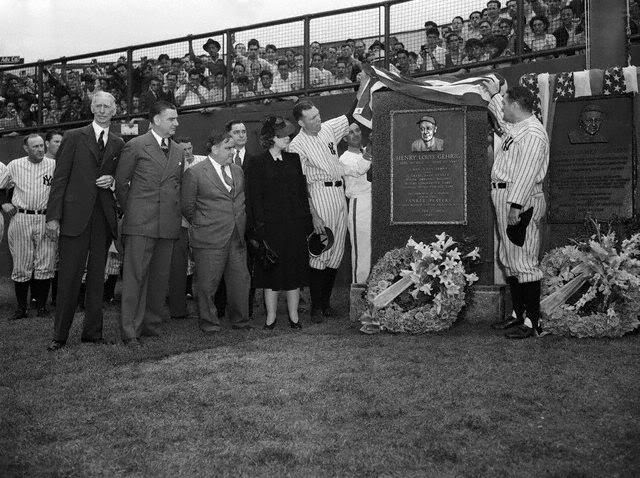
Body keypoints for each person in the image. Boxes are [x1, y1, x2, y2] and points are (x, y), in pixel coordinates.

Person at [45, 92, 124, 350]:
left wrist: (112, 182)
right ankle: (60, 336)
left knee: (97, 280)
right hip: (74, 218)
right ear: (91, 108)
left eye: (107, 106)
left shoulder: (117, 142)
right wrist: (53, 218)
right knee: (69, 277)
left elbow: (118, 178)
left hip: (102, 218)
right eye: (98, 105)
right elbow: (60, 180)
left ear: (115, 110)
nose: (102, 110)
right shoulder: (74, 137)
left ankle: (93, 332)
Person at [484, 84, 549, 339]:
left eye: (506, 103)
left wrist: (516, 206)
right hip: (506, 196)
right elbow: (501, 117)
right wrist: (493, 94)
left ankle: (534, 322)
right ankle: (518, 315)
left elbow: (526, 174)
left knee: (523, 260)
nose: (504, 108)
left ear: (516, 105)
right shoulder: (519, 127)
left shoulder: (533, 132)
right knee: (510, 259)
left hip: (519, 200)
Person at [115, 100, 182, 347]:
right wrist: (134, 211)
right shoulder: (135, 145)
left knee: (158, 278)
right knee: (135, 279)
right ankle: (130, 330)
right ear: (155, 120)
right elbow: (121, 184)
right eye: (171, 119)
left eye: (176, 119)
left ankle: (151, 325)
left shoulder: (176, 150)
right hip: (141, 223)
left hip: (167, 224)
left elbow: (177, 185)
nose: (176, 123)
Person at [181, 131, 253, 333]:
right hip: (209, 238)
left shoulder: (238, 171)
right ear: (214, 149)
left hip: (237, 237)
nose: (233, 151)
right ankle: (209, 323)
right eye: (228, 148)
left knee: (241, 281)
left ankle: (241, 321)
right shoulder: (194, 173)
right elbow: (187, 207)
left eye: (233, 148)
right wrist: (205, 223)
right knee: (207, 285)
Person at [288, 100, 352, 323]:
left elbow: (351, 115)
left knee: (336, 253)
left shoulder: (327, 128)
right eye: (312, 117)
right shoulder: (296, 145)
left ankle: (325, 304)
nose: (318, 119)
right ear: (300, 122)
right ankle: (316, 306)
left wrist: (364, 86)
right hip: (319, 194)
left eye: (317, 114)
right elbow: (300, 184)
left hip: (338, 192)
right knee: (321, 250)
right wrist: (313, 215)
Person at [245, 117, 311, 329]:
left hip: (293, 226)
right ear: (272, 138)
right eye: (284, 135)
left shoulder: (294, 159)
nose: (288, 138)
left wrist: (305, 223)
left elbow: (301, 194)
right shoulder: (256, 162)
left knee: (293, 271)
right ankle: (270, 317)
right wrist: (258, 229)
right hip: (269, 228)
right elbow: (254, 198)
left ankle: (294, 316)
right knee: (270, 272)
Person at [2, 134, 56, 321]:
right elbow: (2, 184)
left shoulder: (53, 164)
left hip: (45, 217)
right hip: (21, 216)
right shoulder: (15, 165)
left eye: (42, 146)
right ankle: (21, 308)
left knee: (45, 262)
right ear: (26, 148)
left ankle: (41, 307)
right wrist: (3, 202)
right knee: (21, 263)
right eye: (35, 146)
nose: (40, 149)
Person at [168, 136, 205, 320]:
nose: (188, 152)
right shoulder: (172, 166)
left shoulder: (203, 162)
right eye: (184, 149)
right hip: (179, 223)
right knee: (178, 266)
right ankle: (177, 307)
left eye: (190, 148)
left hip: (200, 221)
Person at [338, 123, 372, 284]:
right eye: (350, 133)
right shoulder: (344, 158)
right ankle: (359, 293)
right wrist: (372, 148)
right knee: (362, 251)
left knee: (374, 248)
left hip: (376, 200)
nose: (356, 134)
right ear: (345, 138)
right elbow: (360, 169)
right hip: (360, 202)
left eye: (357, 130)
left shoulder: (366, 151)